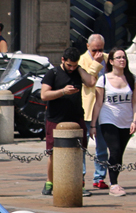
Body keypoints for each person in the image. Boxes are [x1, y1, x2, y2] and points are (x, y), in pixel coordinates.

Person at [39, 47, 96, 196]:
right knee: (53, 152)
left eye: (74, 65)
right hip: (55, 118)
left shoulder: (78, 71)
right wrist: (63, 91)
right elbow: (44, 95)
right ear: (62, 60)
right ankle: (50, 182)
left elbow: (91, 82)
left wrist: (80, 69)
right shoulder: (53, 73)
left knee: (79, 151)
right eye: (69, 65)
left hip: (76, 117)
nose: (71, 68)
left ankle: (78, 182)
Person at [91, 48, 136, 197]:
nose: (122, 60)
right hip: (108, 119)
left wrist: (135, 121)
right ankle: (114, 184)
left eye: (123, 57)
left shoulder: (132, 79)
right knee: (115, 149)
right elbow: (98, 103)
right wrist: (93, 125)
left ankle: (115, 180)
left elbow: (135, 101)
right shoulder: (103, 79)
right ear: (111, 61)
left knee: (120, 153)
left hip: (126, 120)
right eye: (118, 58)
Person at [79, 34, 108, 189]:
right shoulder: (81, 60)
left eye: (101, 50)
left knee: (102, 146)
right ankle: (81, 175)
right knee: (82, 145)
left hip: (105, 109)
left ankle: (100, 177)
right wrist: (96, 63)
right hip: (87, 108)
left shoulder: (109, 59)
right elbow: (88, 81)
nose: (98, 53)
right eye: (95, 50)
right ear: (87, 46)